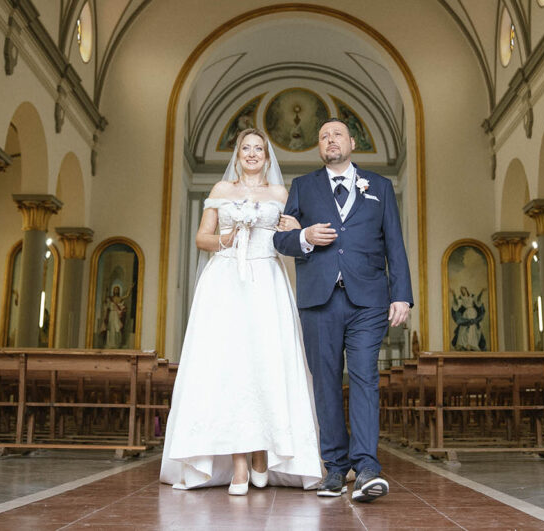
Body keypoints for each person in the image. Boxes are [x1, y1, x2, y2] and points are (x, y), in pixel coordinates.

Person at [160, 129, 322, 495]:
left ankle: (263, 452)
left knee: (267, 364)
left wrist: (296, 228)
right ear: (237, 155)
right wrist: (225, 239)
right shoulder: (221, 190)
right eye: (245, 148)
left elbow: (290, 237)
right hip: (225, 282)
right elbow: (202, 237)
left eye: (258, 149)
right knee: (229, 367)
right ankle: (238, 465)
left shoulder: (280, 194)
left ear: (267, 156)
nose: (251, 154)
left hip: (266, 280)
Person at [273, 118, 412, 502]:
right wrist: (305, 236)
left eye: (337, 135)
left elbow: (395, 243)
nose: (330, 140)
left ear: (352, 143)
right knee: (326, 382)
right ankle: (335, 467)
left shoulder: (379, 187)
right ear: (319, 147)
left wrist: (401, 296)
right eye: (323, 136)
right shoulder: (303, 187)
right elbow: (281, 240)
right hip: (319, 300)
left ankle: (366, 467)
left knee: (365, 377)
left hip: (369, 299)